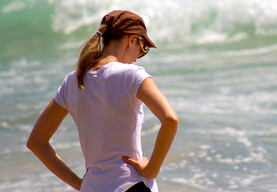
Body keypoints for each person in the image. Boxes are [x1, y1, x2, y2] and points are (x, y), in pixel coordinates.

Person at [27, 10, 179, 192]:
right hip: (131, 185)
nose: (137, 57)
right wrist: (151, 169)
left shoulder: (74, 81)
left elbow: (36, 142)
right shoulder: (132, 75)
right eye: (142, 48)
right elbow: (170, 119)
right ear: (131, 39)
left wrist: (79, 184)